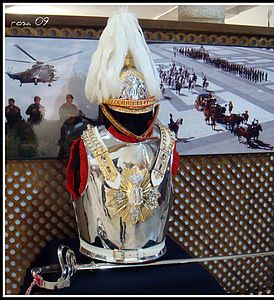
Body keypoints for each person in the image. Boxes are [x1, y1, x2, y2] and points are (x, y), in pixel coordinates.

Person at [65, 11, 179, 265]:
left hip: (147, 251)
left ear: (106, 108)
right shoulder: (86, 144)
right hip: (100, 255)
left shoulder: (166, 142)